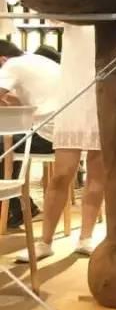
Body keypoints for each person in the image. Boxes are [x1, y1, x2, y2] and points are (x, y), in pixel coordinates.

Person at [16, 24, 105, 261]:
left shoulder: (109, 18)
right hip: (71, 98)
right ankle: (44, 241)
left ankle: (86, 237)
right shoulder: (73, 16)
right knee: (61, 174)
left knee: (97, 175)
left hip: (102, 94)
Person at [0, 40, 60, 227]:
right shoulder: (39, 60)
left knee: (5, 144)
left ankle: (11, 209)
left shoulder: (12, 65)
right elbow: (30, 102)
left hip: (47, 134)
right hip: (66, 133)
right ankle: (17, 209)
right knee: (9, 142)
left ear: (2, 59)